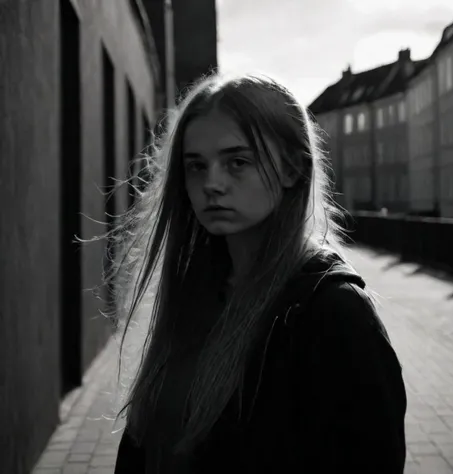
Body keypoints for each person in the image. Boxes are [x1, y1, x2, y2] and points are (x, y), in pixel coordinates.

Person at [109, 72, 407, 473]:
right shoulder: (194, 293)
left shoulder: (333, 313)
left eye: (237, 162)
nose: (211, 183)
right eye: (196, 165)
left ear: (292, 170)